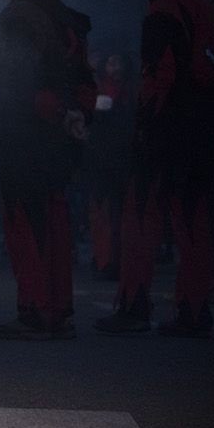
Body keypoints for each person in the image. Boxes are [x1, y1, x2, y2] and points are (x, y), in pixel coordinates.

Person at [96, 0, 214, 337]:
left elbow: (159, 77)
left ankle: (134, 305)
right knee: (194, 220)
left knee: (140, 215)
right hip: (206, 130)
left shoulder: (162, 13)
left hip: (166, 129)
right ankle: (194, 310)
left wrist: (144, 125)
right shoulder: (210, 13)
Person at [0, 0, 96, 340]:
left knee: (26, 222)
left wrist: (49, 114)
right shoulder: (67, 18)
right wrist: (76, 117)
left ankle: (35, 311)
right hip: (59, 138)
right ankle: (58, 310)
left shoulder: (19, 16)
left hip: (25, 134)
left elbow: (19, 80)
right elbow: (84, 79)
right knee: (55, 219)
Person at [85, 51, 136, 281]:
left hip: (122, 159)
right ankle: (104, 259)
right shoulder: (101, 90)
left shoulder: (130, 91)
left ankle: (116, 259)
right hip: (101, 160)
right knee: (101, 212)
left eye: (119, 62)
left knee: (119, 214)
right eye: (111, 62)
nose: (115, 68)